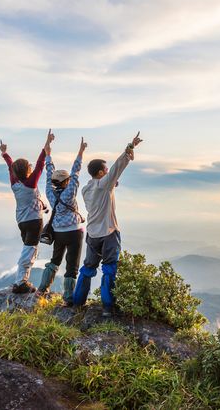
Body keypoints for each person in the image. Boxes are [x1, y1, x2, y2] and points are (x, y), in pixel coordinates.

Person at [72, 131, 143, 316]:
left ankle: (78, 302)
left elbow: (107, 183)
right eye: (105, 170)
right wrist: (130, 147)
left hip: (92, 235)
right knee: (109, 269)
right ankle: (107, 307)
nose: (107, 172)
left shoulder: (87, 189)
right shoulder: (104, 184)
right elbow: (117, 167)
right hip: (109, 232)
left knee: (88, 268)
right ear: (101, 173)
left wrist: (112, 184)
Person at [0, 130, 53, 293]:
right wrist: (46, 146)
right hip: (34, 222)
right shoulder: (30, 183)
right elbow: (39, 164)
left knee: (29, 248)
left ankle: (22, 280)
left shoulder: (14, 183)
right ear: (28, 170)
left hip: (22, 222)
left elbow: (10, 166)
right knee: (30, 250)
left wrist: (4, 153)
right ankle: (21, 282)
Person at [37, 134, 87, 305]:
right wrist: (81, 151)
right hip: (74, 232)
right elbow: (76, 171)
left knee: (55, 260)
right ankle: (67, 298)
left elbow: (48, 171)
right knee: (72, 265)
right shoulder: (69, 191)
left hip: (58, 232)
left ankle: (42, 289)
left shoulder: (49, 192)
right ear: (67, 182)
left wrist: (48, 152)